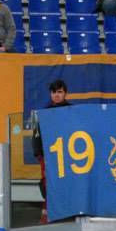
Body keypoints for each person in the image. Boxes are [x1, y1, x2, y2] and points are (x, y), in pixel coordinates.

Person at [30, 80, 72, 223]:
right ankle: (47, 213)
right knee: (48, 183)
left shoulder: (73, 111)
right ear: (50, 94)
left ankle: (69, 212)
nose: (56, 95)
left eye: (60, 92)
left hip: (68, 154)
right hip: (48, 156)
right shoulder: (44, 113)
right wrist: (39, 154)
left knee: (69, 182)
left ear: (65, 93)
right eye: (54, 92)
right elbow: (37, 135)